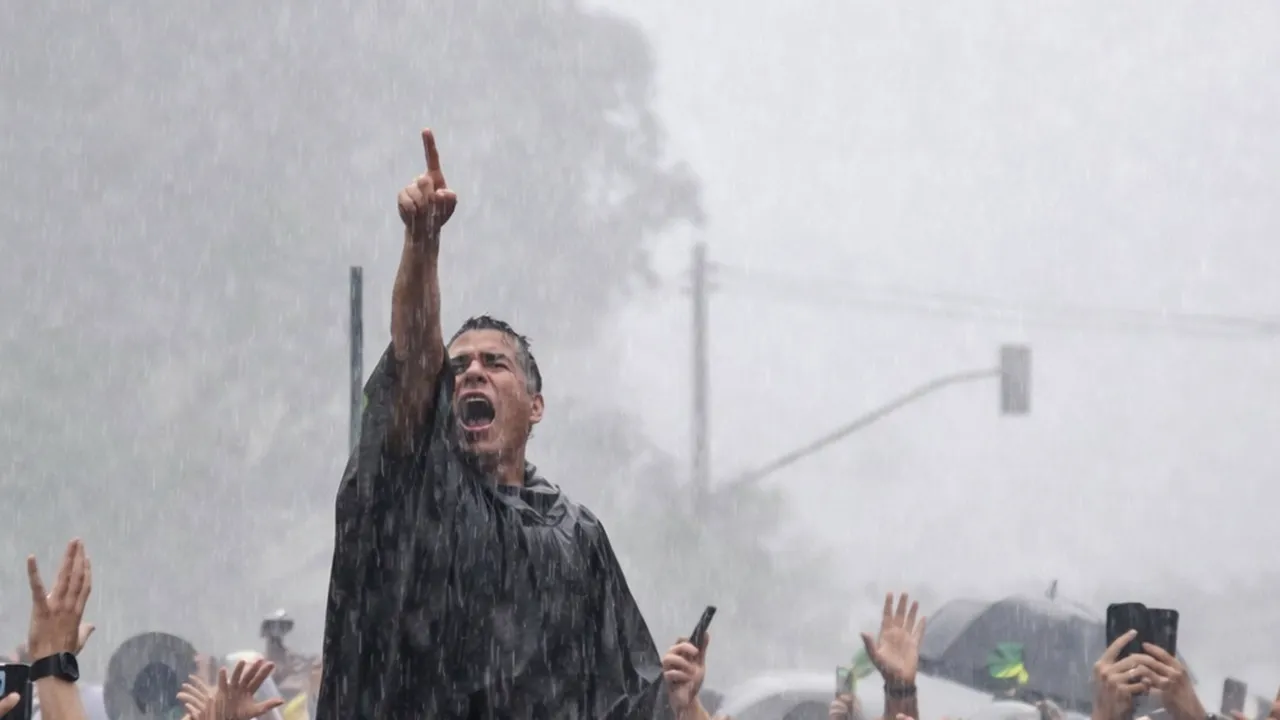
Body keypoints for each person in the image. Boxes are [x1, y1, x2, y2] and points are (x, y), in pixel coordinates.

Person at [316, 128, 680, 719]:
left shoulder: (577, 538)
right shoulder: (419, 485)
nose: (471, 374)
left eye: (495, 363)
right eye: (457, 366)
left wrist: (675, 701)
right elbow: (412, 361)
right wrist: (422, 247)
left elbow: (626, 694)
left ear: (535, 405)